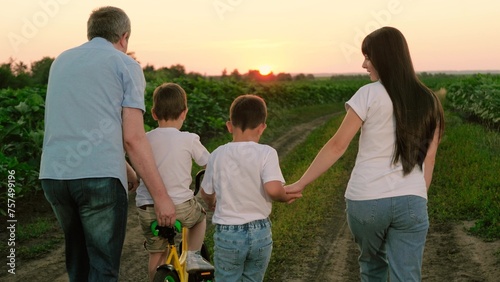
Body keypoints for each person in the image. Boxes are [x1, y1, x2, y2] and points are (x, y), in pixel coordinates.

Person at [285, 26, 444, 281]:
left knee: (372, 269)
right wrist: (417, 195)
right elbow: (430, 157)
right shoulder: (428, 99)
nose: (363, 64)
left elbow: (338, 145)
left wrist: (301, 182)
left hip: (367, 200)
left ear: (385, 57)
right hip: (412, 201)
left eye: (368, 57)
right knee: (408, 276)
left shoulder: (368, 94)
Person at [39, 6, 176, 281]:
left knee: (78, 265)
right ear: (124, 36)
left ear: (91, 33)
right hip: (98, 179)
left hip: (55, 175)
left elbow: (81, 121)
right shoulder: (125, 64)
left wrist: (124, 167)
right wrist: (161, 198)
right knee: (102, 268)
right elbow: (134, 138)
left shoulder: (61, 61)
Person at [200, 94, 302, 282]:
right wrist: (284, 197)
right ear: (262, 127)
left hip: (228, 234)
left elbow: (205, 192)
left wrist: (212, 202)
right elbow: (273, 189)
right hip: (260, 233)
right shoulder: (267, 153)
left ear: (229, 125)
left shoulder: (217, 154)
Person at [135, 82, 214, 281]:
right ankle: (194, 257)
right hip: (180, 206)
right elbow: (210, 164)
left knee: (156, 254)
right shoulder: (189, 139)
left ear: (153, 113)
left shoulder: (145, 139)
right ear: (184, 112)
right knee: (200, 218)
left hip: (147, 208)